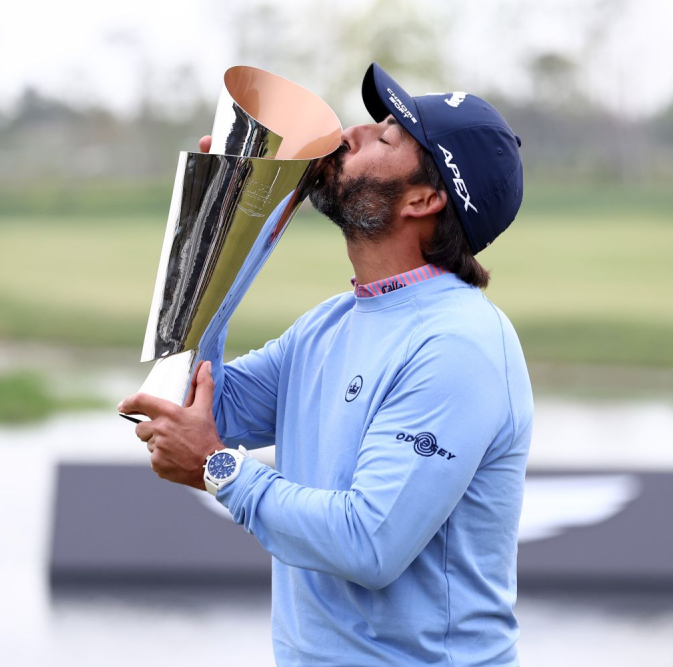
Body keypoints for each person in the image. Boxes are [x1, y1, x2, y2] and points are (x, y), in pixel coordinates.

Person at [118, 62, 533, 666]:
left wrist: (219, 470)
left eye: (387, 136)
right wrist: (226, 226)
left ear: (424, 198)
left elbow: (369, 543)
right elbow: (196, 402)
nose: (354, 133)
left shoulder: (457, 345)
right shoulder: (332, 323)